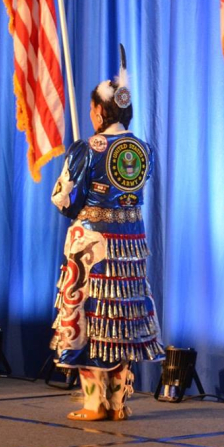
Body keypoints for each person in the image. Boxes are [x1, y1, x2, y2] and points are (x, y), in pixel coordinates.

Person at [50, 46, 163, 421]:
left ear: (100, 111)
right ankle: (118, 403)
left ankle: (93, 402)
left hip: (92, 246)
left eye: (91, 108)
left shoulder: (88, 147)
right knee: (121, 319)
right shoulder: (143, 148)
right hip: (130, 244)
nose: (89, 114)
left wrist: (69, 198)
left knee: (92, 317)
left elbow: (65, 199)